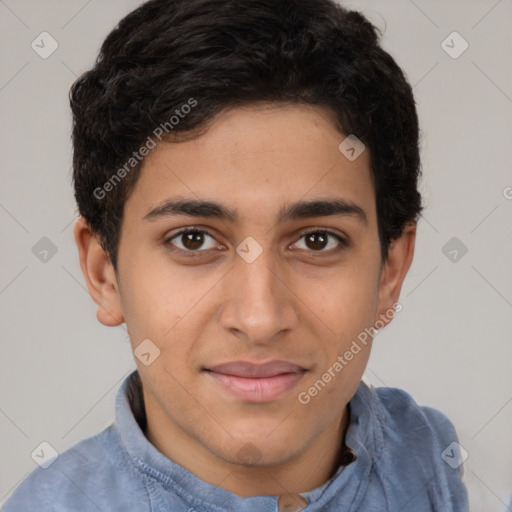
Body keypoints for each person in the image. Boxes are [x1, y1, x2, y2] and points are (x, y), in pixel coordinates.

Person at [3, 0, 470, 510]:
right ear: (104, 273)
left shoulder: (425, 453)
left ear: (391, 271)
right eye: (193, 240)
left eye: (317, 240)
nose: (260, 318)